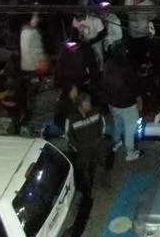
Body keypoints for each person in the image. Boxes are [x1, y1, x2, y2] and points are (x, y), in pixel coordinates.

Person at [64, 92, 106, 237]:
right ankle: (87, 192)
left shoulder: (96, 112)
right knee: (84, 171)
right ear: (80, 106)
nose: (90, 105)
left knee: (98, 165)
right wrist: (78, 148)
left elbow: (102, 125)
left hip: (96, 147)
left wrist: (99, 139)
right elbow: (69, 136)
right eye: (87, 103)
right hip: (82, 152)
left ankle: (101, 182)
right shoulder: (71, 118)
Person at [101, 48, 143, 161]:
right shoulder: (126, 67)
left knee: (117, 123)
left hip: (113, 103)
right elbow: (134, 84)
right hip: (127, 103)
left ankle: (117, 142)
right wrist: (138, 99)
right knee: (130, 128)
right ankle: (131, 152)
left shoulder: (108, 65)